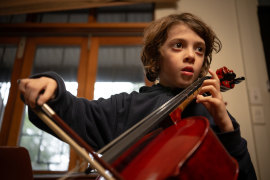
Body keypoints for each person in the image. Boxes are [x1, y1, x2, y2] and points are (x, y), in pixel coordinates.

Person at [18, 13, 256, 179]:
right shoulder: (127, 106)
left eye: (199, 49)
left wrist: (226, 125)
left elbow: (244, 175)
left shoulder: (213, 113)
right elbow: (78, 113)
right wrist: (52, 85)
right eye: (178, 45)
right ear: (156, 56)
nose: (191, 55)